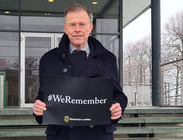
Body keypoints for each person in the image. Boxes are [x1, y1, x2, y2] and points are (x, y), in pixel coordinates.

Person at [33, 3, 127, 140]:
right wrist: (38, 109)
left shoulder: (108, 59)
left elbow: (118, 95)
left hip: (98, 134)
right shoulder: (49, 60)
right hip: (62, 135)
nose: (77, 29)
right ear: (65, 28)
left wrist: (118, 107)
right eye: (72, 25)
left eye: (82, 24)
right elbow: (43, 96)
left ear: (90, 27)